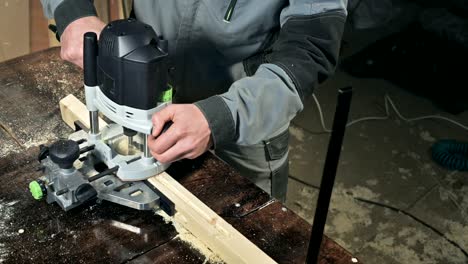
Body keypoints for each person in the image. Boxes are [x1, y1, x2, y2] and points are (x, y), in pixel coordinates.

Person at [40, 0, 347, 202]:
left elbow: (309, 51)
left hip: (243, 117)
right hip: (138, 99)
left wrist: (225, 116)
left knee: (253, 233)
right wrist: (72, 11)